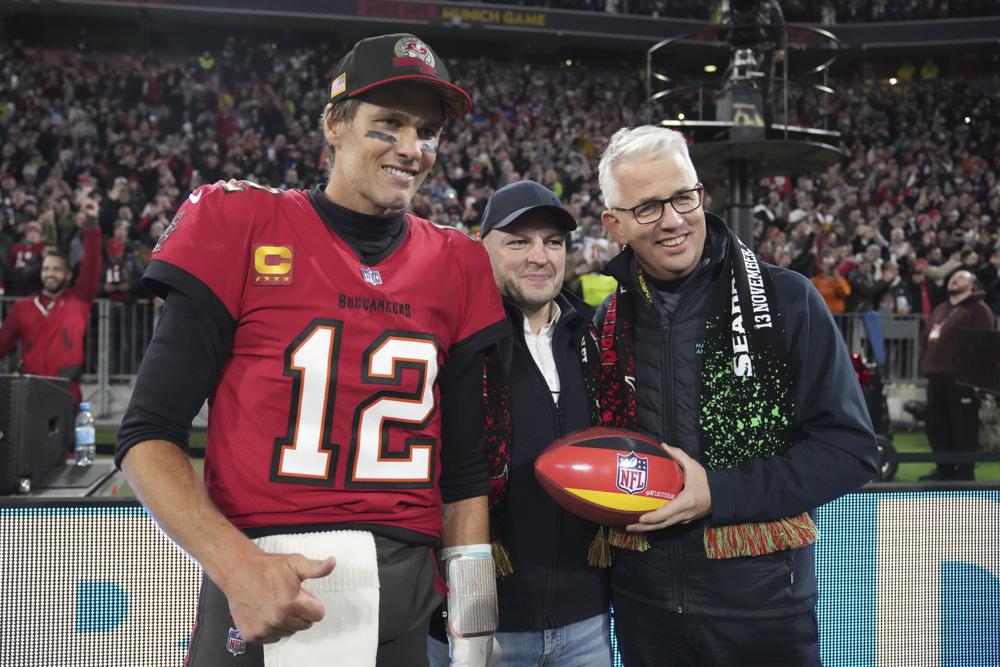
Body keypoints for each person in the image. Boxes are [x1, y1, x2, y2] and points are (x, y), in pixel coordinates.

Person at [114, 34, 509, 667]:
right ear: (335, 123)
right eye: (389, 124)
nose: (412, 148)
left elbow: (464, 473)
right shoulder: (240, 221)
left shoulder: (457, 260)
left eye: (427, 131)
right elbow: (146, 434)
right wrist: (236, 565)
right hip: (261, 585)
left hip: (401, 599)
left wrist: (475, 628)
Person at [592, 125, 877, 666]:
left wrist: (718, 493)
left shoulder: (787, 298)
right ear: (616, 225)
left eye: (683, 196)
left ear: (703, 194)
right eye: (649, 208)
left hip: (764, 611)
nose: (674, 220)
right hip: (642, 608)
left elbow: (850, 450)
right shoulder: (608, 321)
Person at [427, 181, 612, 666]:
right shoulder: (453, 341)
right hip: (475, 624)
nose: (540, 256)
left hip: (587, 622)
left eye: (553, 242)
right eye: (518, 241)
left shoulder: (597, 339)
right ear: (480, 247)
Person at [0, 200, 101, 403]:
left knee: (67, 436)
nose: (50, 274)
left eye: (56, 269)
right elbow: (2, 344)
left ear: (67, 275)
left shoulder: (79, 301)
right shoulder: (22, 307)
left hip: (67, 388)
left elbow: (92, 265)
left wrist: (91, 224)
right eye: (46, 269)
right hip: (31, 388)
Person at [918, 269, 995, 481]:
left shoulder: (979, 310)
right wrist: (925, 362)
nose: (954, 278)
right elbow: (926, 339)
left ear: (972, 285)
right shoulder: (941, 308)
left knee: (963, 427)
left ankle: (963, 472)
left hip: (962, 380)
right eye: (953, 276)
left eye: (961, 277)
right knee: (936, 426)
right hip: (936, 376)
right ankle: (944, 469)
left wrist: (972, 375)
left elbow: (982, 346)